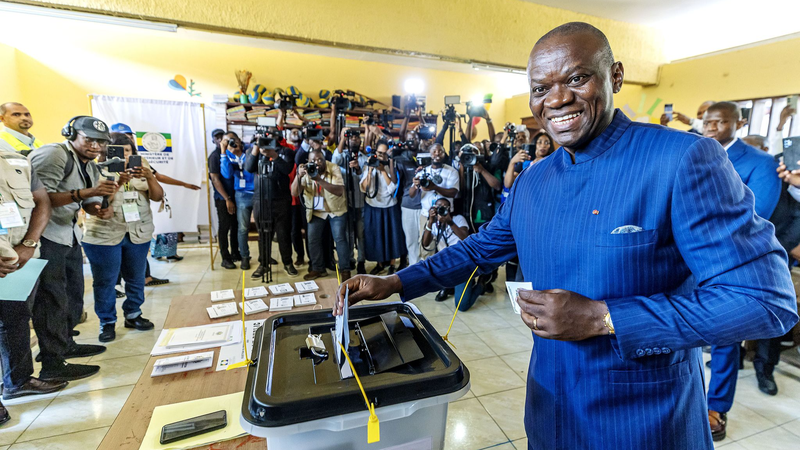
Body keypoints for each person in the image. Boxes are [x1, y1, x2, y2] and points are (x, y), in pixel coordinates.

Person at [334, 22, 798, 450]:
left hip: (642, 419)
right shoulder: (534, 179)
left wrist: (604, 318)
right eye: (541, 88)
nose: (557, 100)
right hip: (550, 408)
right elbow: (482, 247)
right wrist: (396, 282)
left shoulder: (681, 159)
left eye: (576, 79)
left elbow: (765, 301)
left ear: (615, 76)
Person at [702, 101, 782, 440]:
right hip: (682, 256)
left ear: (739, 123)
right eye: (707, 122)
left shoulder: (760, 163)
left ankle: (716, 406)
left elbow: (756, 216)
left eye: (719, 122)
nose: (711, 128)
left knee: (724, 336)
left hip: (730, 260)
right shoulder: (692, 151)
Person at [29, 115, 116, 381]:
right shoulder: (54, 154)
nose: (96, 146)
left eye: (101, 141)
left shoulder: (89, 165)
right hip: (45, 236)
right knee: (51, 300)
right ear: (71, 134)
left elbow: (88, 202)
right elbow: (39, 199)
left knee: (72, 295)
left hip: (68, 234)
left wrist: (99, 207)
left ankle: (65, 344)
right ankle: (52, 363)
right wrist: (85, 194)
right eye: (89, 139)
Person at [0, 147, 67, 425]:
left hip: (18, 258)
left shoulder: (14, 158)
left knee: (15, 319)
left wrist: (29, 244)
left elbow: (42, 202)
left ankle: (18, 381)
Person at [82, 133, 162, 342]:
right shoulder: (94, 169)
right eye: (118, 151)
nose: (124, 155)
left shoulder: (142, 167)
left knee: (136, 277)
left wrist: (150, 177)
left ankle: (133, 314)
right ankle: (107, 322)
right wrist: (119, 182)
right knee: (105, 281)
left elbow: (157, 196)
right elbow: (95, 203)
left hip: (138, 231)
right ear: (106, 151)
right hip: (104, 234)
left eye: (128, 151)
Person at [291, 148, 350, 281]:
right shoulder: (305, 170)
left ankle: (345, 270)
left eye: (320, 160)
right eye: (313, 160)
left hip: (336, 209)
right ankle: (317, 268)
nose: (317, 162)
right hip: (316, 210)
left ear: (325, 160)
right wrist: (298, 176)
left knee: (340, 239)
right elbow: (294, 193)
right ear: (308, 161)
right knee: (313, 239)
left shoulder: (333, 168)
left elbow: (340, 191)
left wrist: (318, 179)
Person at [245, 133, 297, 278]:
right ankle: (264, 264)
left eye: (271, 136)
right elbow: (249, 168)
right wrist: (256, 148)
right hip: (261, 199)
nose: (267, 139)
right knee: (263, 234)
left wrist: (274, 155)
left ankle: (288, 263)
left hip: (281, 199)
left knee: (283, 234)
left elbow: (287, 169)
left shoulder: (286, 152)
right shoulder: (253, 151)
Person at [420, 198, 479, 311]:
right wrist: (430, 221)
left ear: (450, 208)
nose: (442, 208)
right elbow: (425, 243)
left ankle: (481, 284)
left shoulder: (458, 219)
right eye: (439, 207)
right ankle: (448, 286)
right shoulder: (434, 223)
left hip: (462, 264)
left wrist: (450, 222)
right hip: (446, 263)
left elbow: (465, 237)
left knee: (462, 306)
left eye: (445, 206)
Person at [360, 139, 405, 274]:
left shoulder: (391, 164)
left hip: (390, 205)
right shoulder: (368, 164)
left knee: (391, 236)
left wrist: (383, 171)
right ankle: (380, 264)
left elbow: (392, 189)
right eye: (380, 153)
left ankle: (392, 264)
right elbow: (364, 188)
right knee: (376, 236)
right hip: (373, 205)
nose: (382, 156)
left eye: (385, 153)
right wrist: (370, 171)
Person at [409, 144, 459, 264]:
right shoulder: (423, 172)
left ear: (444, 154)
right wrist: (415, 185)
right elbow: (411, 194)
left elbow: (454, 192)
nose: (437, 154)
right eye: (434, 151)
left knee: (446, 249)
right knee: (426, 249)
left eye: (440, 151)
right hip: (426, 215)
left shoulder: (451, 171)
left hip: (445, 215)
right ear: (430, 153)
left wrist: (435, 187)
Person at [332, 127, 368, 274]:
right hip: (346, 203)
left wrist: (358, 169)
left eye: (357, 137)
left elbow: (365, 179)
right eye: (351, 137)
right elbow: (334, 161)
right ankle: (350, 258)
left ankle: (361, 261)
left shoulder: (364, 158)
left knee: (361, 234)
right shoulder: (342, 155)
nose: (354, 139)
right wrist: (342, 138)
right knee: (348, 234)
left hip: (360, 203)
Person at [220, 131, 256, 270]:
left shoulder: (250, 151)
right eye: (227, 141)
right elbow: (227, 174)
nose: (231, 144)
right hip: (241, 195)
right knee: (243, 228)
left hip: (257, 193)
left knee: (264, 226)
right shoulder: (227, 155)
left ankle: (264, 256)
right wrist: (224, 153)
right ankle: (245, 257)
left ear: (239, 141)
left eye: (233, 140)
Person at [207, 128, 240, 269]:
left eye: (223, 137)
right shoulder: (214, 156)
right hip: (223, 198)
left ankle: (235, 253)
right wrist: (227, 199)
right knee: (224, 227)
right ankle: (225, 257)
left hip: (236, 195)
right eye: (218, 138)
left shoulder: (231, 153)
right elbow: (215, 179)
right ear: (213, 140)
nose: (220, 140)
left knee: (235, 226)